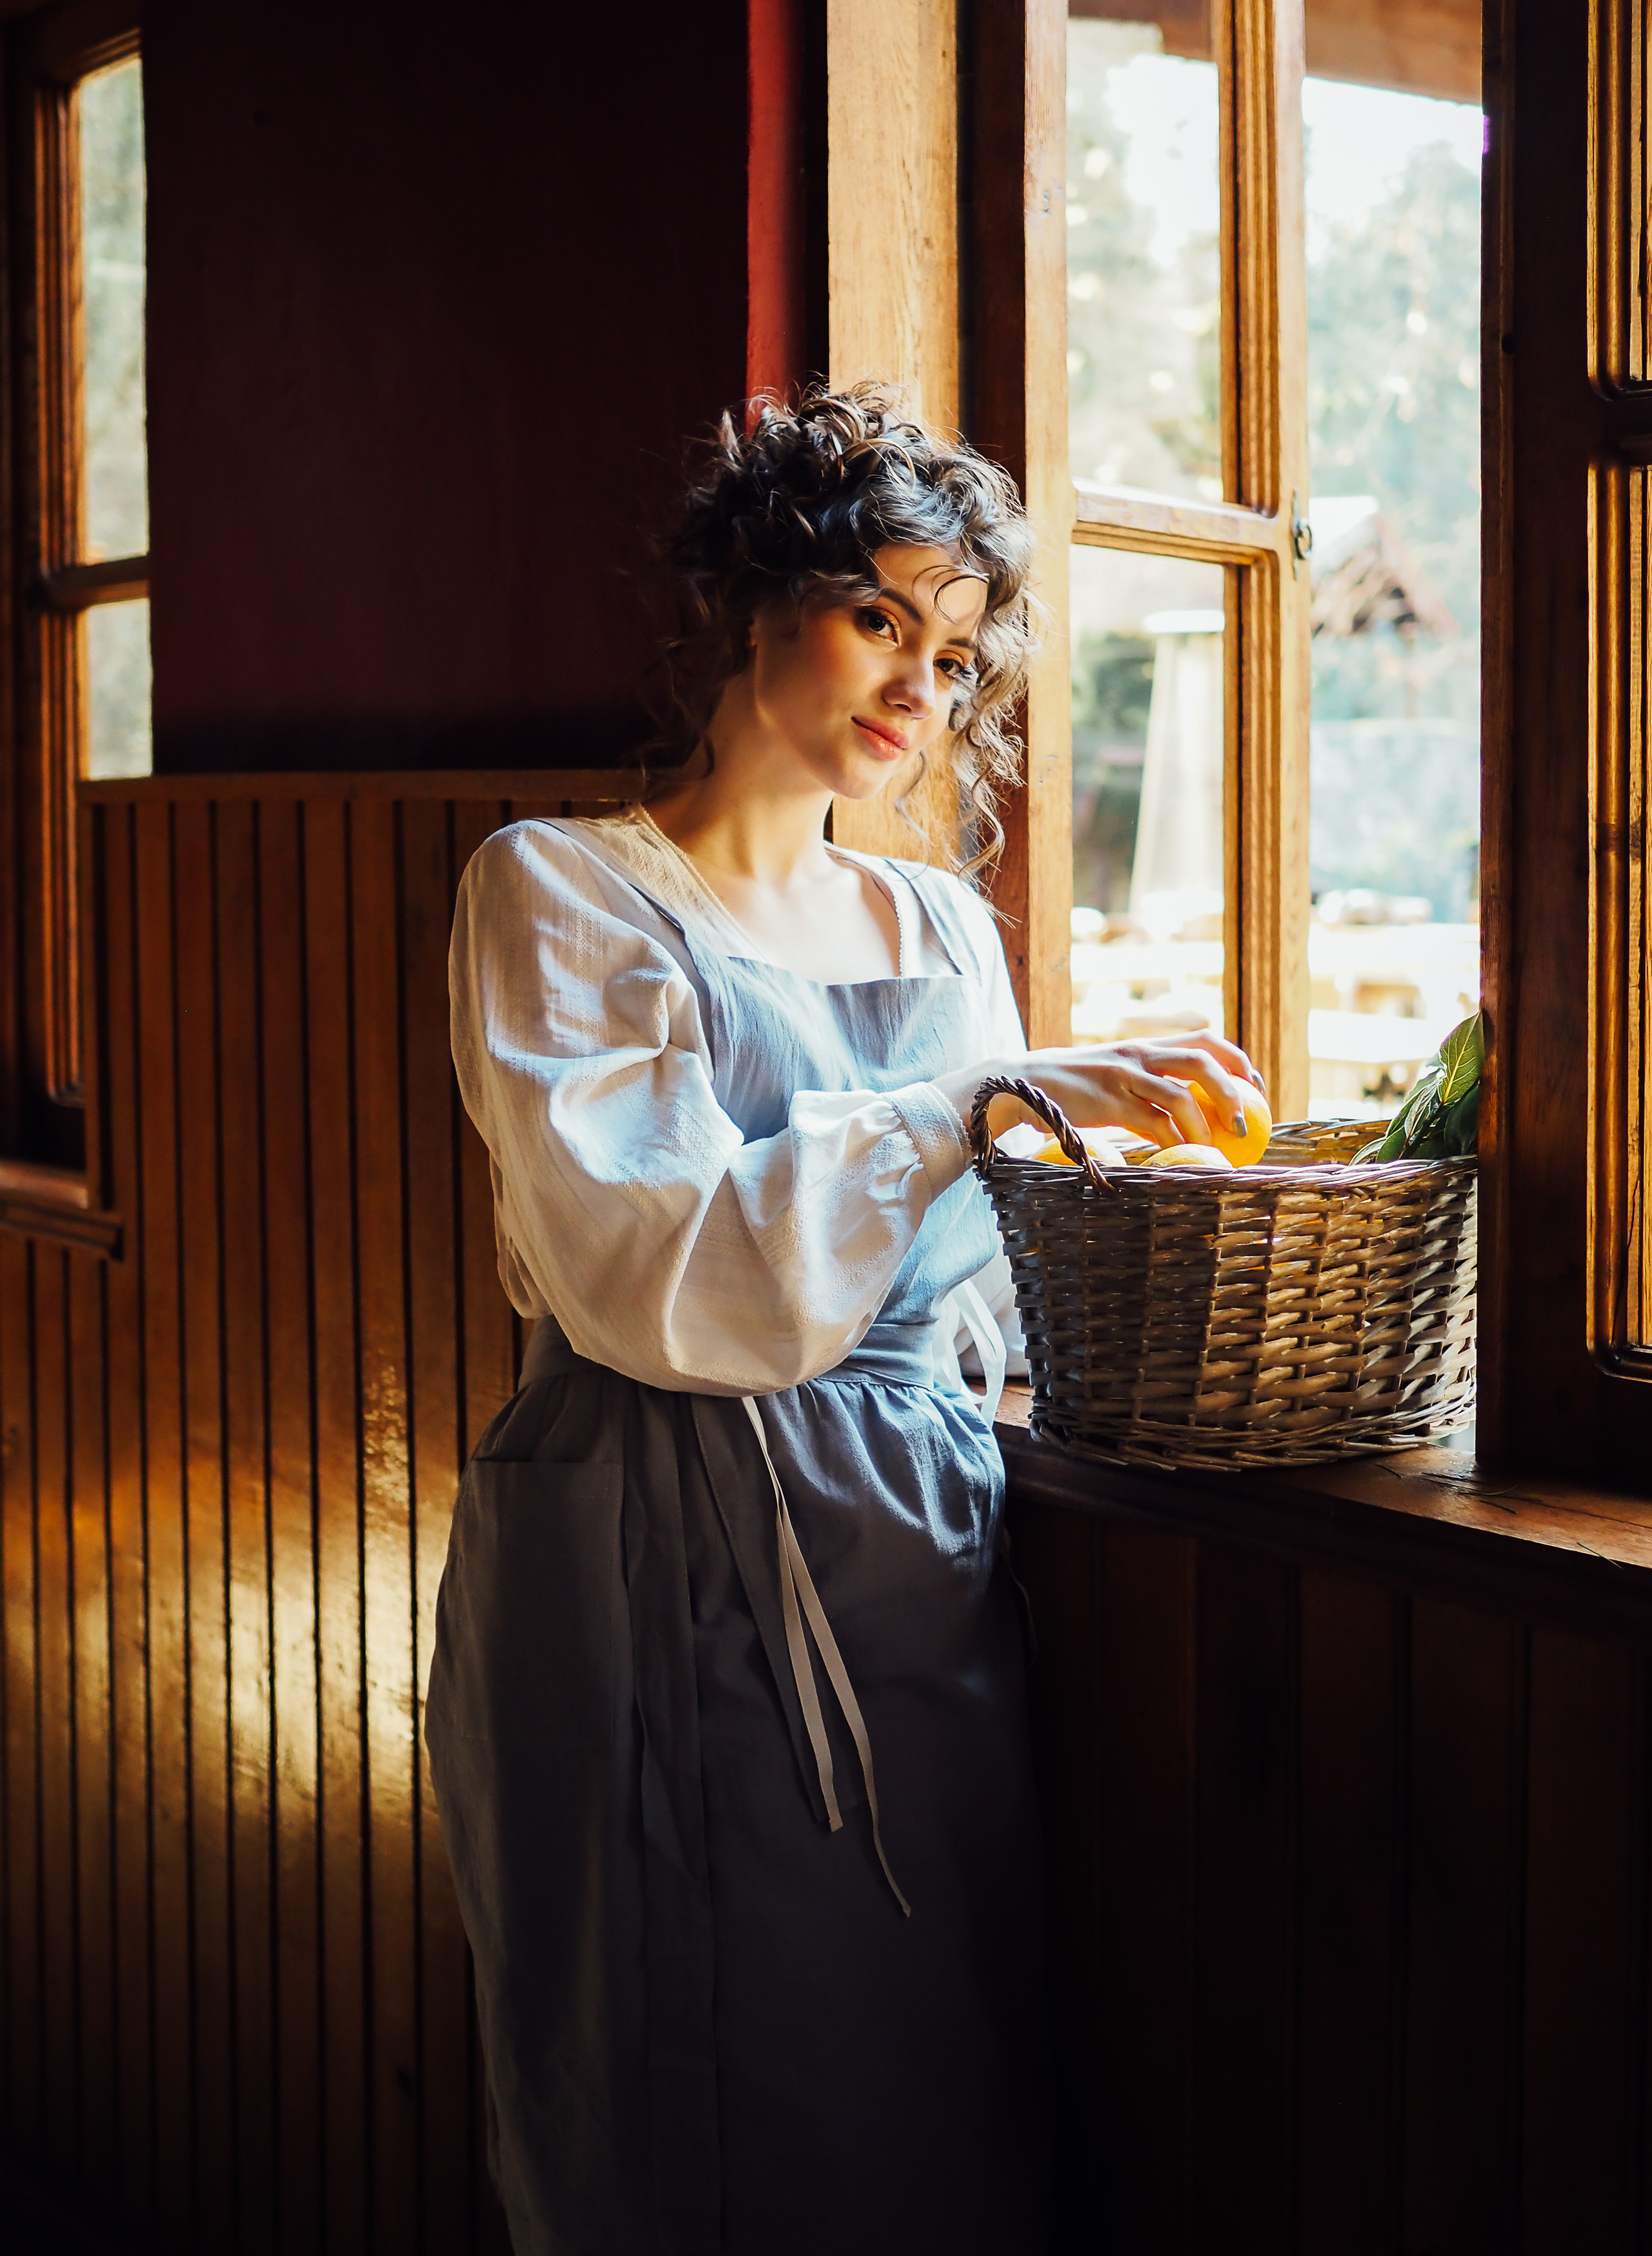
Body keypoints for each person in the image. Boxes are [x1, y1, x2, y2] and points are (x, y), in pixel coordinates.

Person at [425, 381, 1265, 2256]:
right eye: (880, 617)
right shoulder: (560, 891)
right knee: (670, 2074)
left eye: (957, 659)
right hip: (647, 1530)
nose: (919, 685)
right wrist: (969, 1106)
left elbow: (981, 1271)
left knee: (923, 2067)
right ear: (749, 603)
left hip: (917, 1539)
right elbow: (655, 1266)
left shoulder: (942, 928)